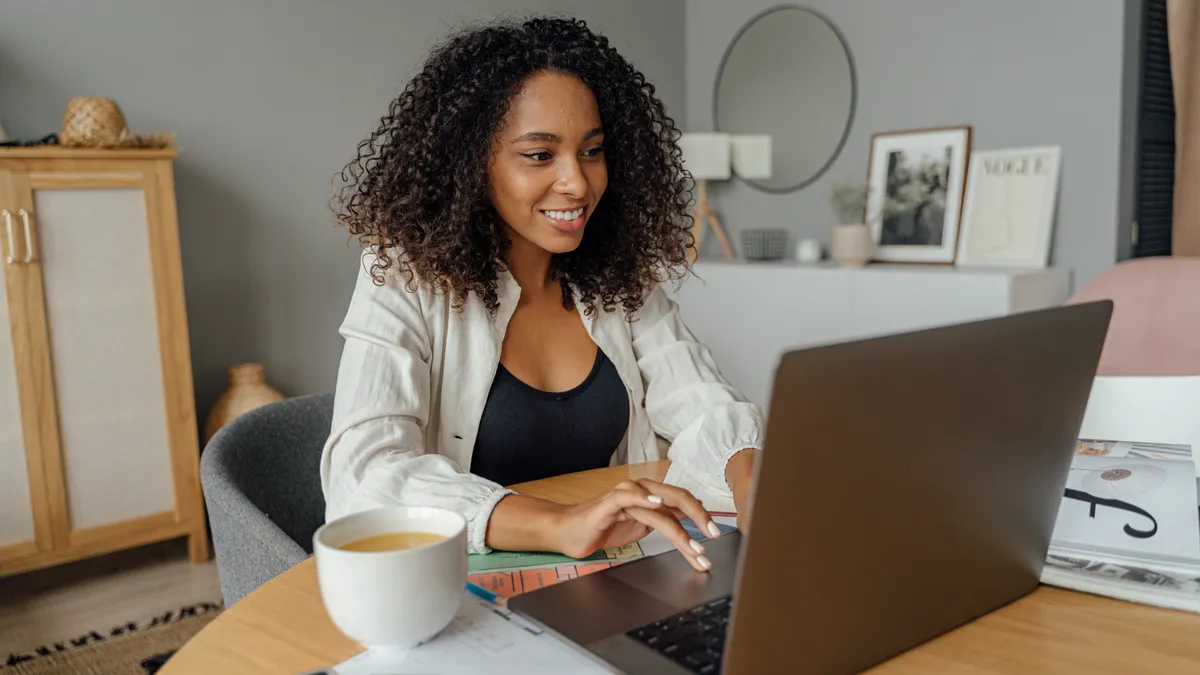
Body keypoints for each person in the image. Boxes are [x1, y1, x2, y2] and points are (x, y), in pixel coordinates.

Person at [320, 16, 765, 573]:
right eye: (539, 155)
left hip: (615, 571)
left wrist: (759, 498)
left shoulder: (618, 274)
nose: (577, 183)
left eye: (592, 151)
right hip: (460, 586)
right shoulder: (405, 274)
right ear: (472, 163)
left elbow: (703, 403)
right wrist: (559, 525)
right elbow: (363, 474)